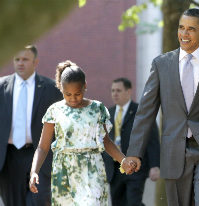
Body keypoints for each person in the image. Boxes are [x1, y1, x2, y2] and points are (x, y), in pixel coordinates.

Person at [122, 8, 199, 206]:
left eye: (191, 29)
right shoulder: (161, 64)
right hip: (174, 150)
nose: (184, 34)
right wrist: (134, 152)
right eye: (181, 28)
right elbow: (146, 111)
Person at [29, 60, 129, 205]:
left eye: (77, 93)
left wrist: (123, 160)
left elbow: (106, 141)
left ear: (85, 87)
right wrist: (34, 172)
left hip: (92, 170)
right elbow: (42, 147)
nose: (73, 99)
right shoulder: (54, 111)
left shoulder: (97, 109)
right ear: (61, 89)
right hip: (63, 173)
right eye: (68, 94)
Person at [0, 45, 62, 206]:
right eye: (17, 59)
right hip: (9, 157)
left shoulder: (51, 89)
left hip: (40, 155)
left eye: (25, 59)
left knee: (40, 201)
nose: (20, 63)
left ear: (35, 62)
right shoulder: (1, 87)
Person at [103, 78, 160, 206]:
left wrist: (155, 166)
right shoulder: (107, 113)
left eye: (118, 90)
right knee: (118, 203)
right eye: (112, 91)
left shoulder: (141, 112)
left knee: (133, 202)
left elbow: (152, 140)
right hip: (114, 169)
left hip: (135, 168)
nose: (115, 94)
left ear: (128, 92)